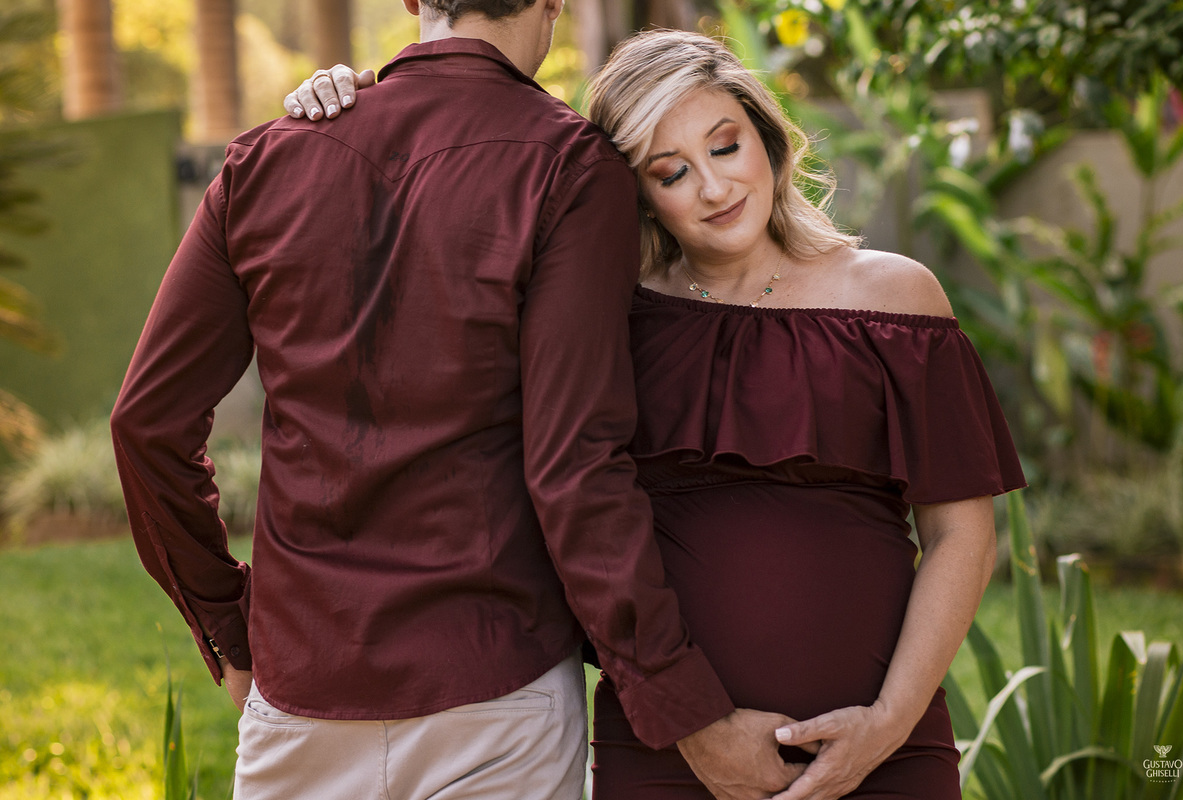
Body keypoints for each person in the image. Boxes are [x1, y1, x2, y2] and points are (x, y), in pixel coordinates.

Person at [289, 27, 1027, 800]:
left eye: (725, 146)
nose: (714, 188)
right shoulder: (608, 319)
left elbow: (961, 535)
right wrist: (357, 106)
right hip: (668, 751)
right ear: (636, 194)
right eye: (671, 171)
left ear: (767, 138)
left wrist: (887, 724)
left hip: (883, 749)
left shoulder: (895, 298)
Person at [110, 2, 812, 798]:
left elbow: (146, 426)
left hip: (304, 698)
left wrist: (229, 628)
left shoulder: (268, 157)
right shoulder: (570, 169)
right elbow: (573, 468)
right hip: (496, 696)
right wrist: (688, 714)